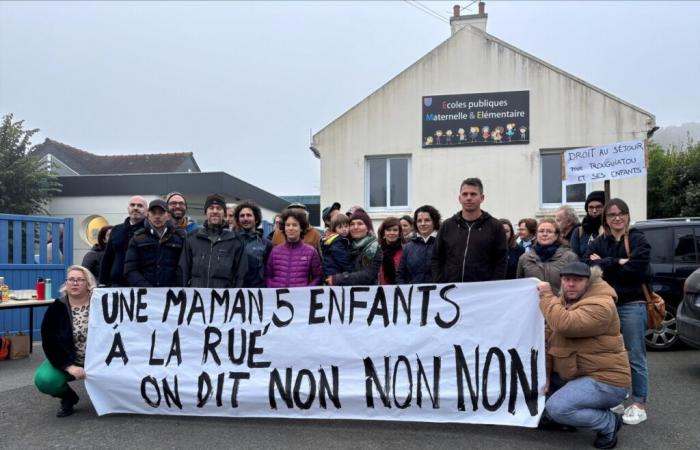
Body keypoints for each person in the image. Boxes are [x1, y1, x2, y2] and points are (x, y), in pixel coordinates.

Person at [537, 262, 630, 449]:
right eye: (566, 280)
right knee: (539, 411)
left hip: (605, 381)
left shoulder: (602, 304)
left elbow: (565, 325)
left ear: (589, 282)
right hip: (575, 374)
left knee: (557, 409)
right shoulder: (563, 302)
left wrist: (546, 295)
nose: (570, 284)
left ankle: (608, 422)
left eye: (577, 280)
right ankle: (573, 413)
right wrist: (545, 376)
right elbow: (549, 343)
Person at [584, 198, 652, 426]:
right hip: (605, 305)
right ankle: (615, 397)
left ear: (627, 215)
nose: (617, 218)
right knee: (609, 354)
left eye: (621, 213)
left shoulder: (637, 239)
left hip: (632, 304)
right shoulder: (598, 242)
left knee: (635, 355)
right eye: (612, 214)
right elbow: (591, 271)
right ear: (606, 219)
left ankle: (639, 403)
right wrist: (618, 261)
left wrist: (606, 263)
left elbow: (637, 270)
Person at [34, 265, 96, 417]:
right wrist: (68, 366)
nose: (74, 283)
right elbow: (50, 342)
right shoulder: (57, 307)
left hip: (98, 359)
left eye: (80, 280)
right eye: (71, 280)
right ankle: (68, 398)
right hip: (69, 359)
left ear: (88, 284)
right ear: (66, 283)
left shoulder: (101, 304)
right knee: (45, 380)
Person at [431, 178, 507, 283]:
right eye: (465, 194)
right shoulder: (447, 226)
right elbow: (437, 257)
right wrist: (439, 282)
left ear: (482, 198)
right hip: (450, 291)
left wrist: (492, 287)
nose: (468, 198)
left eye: (473, 194)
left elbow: (501, 262)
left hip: (481, 292)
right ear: (459, 198)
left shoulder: (495, 227)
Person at [179, 194, 248, 288]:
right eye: (211, 208)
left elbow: (241, 275)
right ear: (206, 212)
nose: (215, 211)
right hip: (197, 299)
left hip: (224, 300)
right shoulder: (192, 238)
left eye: (219, 208)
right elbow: (184, 271)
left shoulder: (236, 240)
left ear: (224, 213)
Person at [124, 199, 186, 287]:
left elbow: (183, 268)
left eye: (161, 213)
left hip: (172, 295)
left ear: (168, 215)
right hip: (146, 295)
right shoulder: (137, 239)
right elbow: (130, 270)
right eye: (154, 213)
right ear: (148, 215)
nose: (157, 216)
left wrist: (175, 288)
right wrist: (147, 289)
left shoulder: (180, 238)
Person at [517, 218, 578, 292]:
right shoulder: (524, 258)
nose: (544, 234)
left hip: (560, 302)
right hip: (534, 302)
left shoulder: (570, 257)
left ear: (556, 236)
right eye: (541, 231)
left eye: (549, 231)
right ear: (536, 234)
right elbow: (520, 287)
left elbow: (576, 285)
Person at [266, 208, 322, 288]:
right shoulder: (275, 251)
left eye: (295, 225)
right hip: (278, 298)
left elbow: (318, 277)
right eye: (287, 225)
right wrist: (272, 288)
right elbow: (268, 275)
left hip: (301, 299)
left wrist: (307, 290)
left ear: (301, 228)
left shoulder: (311, 251)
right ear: (284, 228)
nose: (291, 228)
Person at [326, 209, 382, 286]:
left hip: (367, 293)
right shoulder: (345, 244)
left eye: (360, 224)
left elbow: (368, 275)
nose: (355, 227)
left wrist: (338, 279)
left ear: (368, 228)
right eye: (352, 224)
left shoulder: (374, 248)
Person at [99, 195, 146, 287]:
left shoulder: (150, 231)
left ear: (146, 210)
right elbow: (108, 257)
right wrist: (102, 282)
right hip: (117, 285)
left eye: (140, 206)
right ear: (128, 208)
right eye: (132, 205)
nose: (135, 208)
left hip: (142, 285)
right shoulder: (116, 230)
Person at [397, 205, 441, 284]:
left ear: (434, 221)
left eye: (427, 220)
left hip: (437, 294)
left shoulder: (443, 244)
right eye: (419, 221)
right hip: (413, 295)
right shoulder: (408, 247)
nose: (423, 224)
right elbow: (400, 274)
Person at [234, 200, 273, 288]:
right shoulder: (231, 241)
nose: (245, 218)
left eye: (249, 215)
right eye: (242, 216)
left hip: (257, 293)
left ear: (256, 219)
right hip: (235, 292)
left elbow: (269, 272)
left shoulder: (267, 244)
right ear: (238, 220)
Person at [570, 191, 606, 259]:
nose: (594, 211)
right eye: (591, 207)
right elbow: (574, 258)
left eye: (598, 207)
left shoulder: (612, 230)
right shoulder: (579, 231)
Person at [321, 213, 354, 278]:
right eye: (340, 227)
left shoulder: (340, 239)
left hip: (333, 273)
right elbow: (343, 260)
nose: (344, 229)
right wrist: (352, 271)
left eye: (346, 226)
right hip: (335, 274)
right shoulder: (337, 241)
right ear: (334, 229)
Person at [378, 217, 403, 285]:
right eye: (388, 230)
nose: (392, 233)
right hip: (380, 291)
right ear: (383, 233)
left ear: (399, 233)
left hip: (400, 291)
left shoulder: (405, 250)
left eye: (395, 230)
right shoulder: (376, 251)